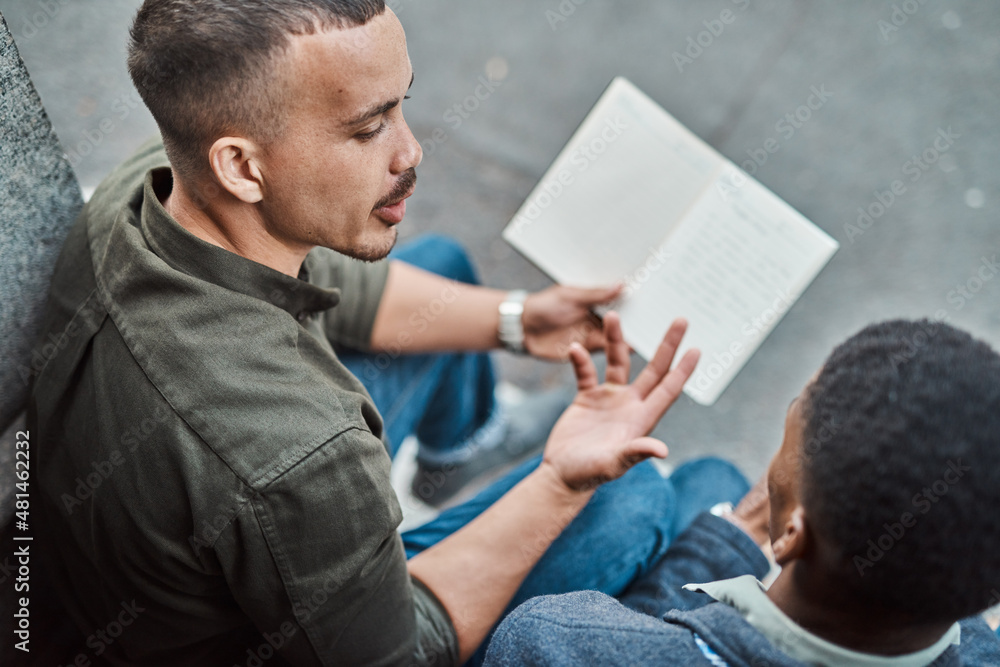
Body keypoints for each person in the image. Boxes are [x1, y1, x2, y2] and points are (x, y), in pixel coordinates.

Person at [28, 1, 750, 664]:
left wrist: (519, 320)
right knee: (642, 498)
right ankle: (473, 469)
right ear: (242, 166)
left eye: (404, 104)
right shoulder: (300, 452)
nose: (410, 152)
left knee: (445, 269)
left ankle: (455, 451)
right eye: (368, 128)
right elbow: (397, 653)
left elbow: (345, 289)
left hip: (135, 551)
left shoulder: (146, 183)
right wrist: (564, 478)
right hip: (271, 626)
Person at [484, 319, 1000, 666]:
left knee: (680, 485)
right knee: (714, 476)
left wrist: (732, 534)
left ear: (794, 533)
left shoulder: (550, 641)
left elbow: (645, 643)